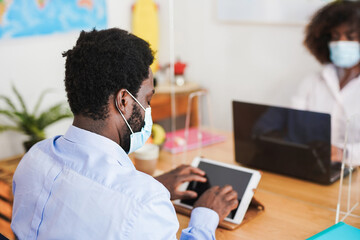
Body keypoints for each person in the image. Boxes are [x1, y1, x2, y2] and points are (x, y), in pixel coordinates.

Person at [11, 28, 239, 239]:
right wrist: (205, 217)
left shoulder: (34, 159)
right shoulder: (145, 204)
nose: (148, 110)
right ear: (124, 101)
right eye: (147, 100)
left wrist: (151, 185)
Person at [291, 1, 360, 164]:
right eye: (335, 36)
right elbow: (294, 126)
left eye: (351, 37)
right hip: (314, 165)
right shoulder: (313, 81)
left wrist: (344, 153)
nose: (341, 43)